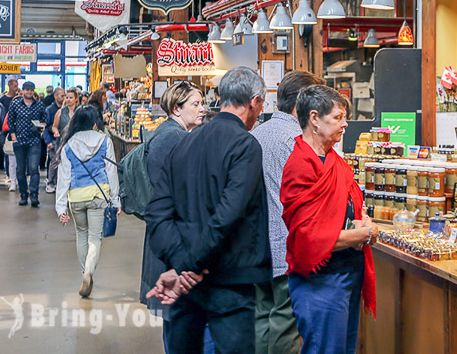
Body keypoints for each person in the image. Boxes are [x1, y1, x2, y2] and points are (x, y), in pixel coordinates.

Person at [146, 67, 271, 353]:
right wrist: (190, 266)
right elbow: (228, 215)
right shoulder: (245, 145)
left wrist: (181, 265)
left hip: (185, 286)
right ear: (254, 102)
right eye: (261, 104)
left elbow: (157, 212)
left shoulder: (184, 143)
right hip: (229, 282)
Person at [280, 85, 378, 354]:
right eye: (338, 117)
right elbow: (309, 237)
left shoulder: (333, 160)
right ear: (314, 118)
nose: (345, 124)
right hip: (320, 283)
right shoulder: (301, 165)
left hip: (345, 275)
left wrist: (362, 220)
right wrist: (364, 235)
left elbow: (345, 209)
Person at [138, 81, 213, 353]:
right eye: (195, 104)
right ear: (176, 108)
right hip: (174, 240)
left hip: (170, 237)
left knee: (178, 321)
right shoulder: (174, 138)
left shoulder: (174, 134)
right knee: (178, 321)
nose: (202, 109)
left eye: (201, 103)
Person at [252, 71, 324, 354]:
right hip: (288, 246)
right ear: (302, 105)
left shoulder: (256, 134)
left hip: (257, 245)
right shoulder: (299, 141)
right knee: (286, 323)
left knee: (261, 316)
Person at [54, 105, 121, 298]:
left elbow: (63, 177)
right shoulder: (104, 140)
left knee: (81, 235)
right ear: (94, 121)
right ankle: (89, 272)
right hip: (99, 196)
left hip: (76, 197)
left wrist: (61, 208)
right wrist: (115, 200)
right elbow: (111, 171)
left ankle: (84, 273)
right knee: (94, 238)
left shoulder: (68, 145)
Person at [7, 81, 47, 207]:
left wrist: (42, 127)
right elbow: (10, 120)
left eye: (31, 90)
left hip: (34, 140)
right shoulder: (15, 104)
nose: (29, 92)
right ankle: (23, 194)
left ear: (33, 91)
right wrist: (14, 138)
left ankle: (34, 194)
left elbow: (45, 119)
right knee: (20, 169)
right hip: (19, 140)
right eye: (27, 89)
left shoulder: (39, 105)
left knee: (34, 168)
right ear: (22, 91)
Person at [43, 87, 65, 193]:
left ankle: (59, 183)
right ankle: (50, 182)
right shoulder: (50, 110)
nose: (64, 98)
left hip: (63, 140)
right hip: (53, 139)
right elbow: (45, 127)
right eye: (62, 96)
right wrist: (48, 142)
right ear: (56, 96)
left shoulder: (66, 109)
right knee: (54, 161)